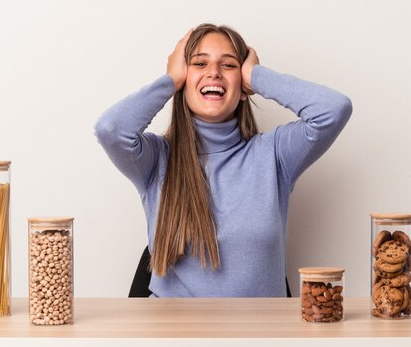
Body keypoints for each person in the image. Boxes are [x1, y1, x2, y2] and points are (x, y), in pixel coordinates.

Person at [95, 23, 352, 297]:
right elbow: (111, 129)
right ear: (184, 80)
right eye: (199, 63)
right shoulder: (155, 159)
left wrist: (256, 76)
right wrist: (170, 80)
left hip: (262, 337)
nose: (214, 72)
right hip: (174, 335)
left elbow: (334, 110)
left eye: (228, 65)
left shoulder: (275, 155)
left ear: (243, 86)